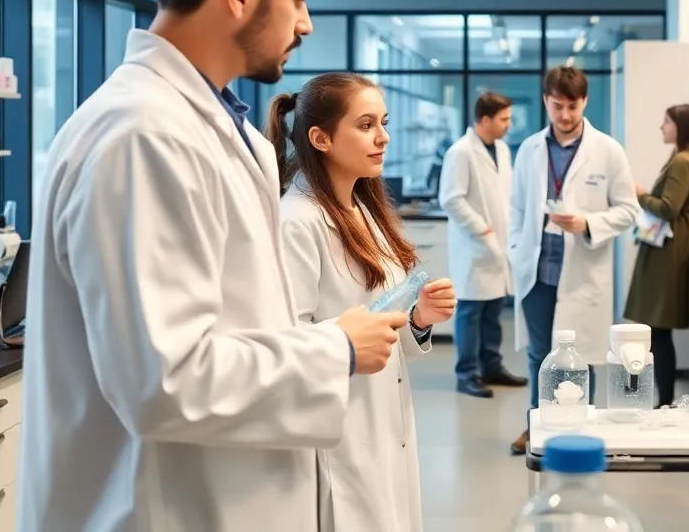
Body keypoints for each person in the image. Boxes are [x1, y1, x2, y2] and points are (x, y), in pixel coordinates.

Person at [17, 0, 410, 532]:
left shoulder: (216, 130)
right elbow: (163, 379)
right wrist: (334, 349)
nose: (306, 24)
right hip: (159, 511)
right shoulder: (142, 137)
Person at [269, 72, 457, 532]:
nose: (383, 137)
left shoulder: (362, 209)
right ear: (321, 138)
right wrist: (344, 339)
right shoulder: (298, 221)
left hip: (383, 420)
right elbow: (280, 343)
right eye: (366, 125)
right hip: (341, 428)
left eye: (384, 123)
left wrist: (418, 318)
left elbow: (379, 316)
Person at [507, 65, 639, 454]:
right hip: (536, 270)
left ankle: (580, 428)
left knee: (581, 357)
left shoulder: (608, 150)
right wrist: (516, 250)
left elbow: (628, 210)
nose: (564, 115)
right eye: (557, 106)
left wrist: (587, 222)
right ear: (546, 100)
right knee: (537, 354)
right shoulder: (530, 149)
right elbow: (515, 208)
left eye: (572, 106)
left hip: (582, 269)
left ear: (585, 102)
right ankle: (536, 426)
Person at [623, 104, 689, 407]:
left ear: (681, 126)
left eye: (666, 122)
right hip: (669, 249)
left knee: (657, 331)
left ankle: (662, 402)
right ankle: (660, 399)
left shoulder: (683, 161)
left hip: (666, 253)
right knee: (657, 331)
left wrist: (638, 195)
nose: (661, 127)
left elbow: (667, 208)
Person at [439, 90, 528, 398]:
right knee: (471, 312)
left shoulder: (501, 149)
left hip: (499, 243)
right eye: (504, 119)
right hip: (474, 246)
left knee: (492, 310)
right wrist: (481, 229)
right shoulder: (461, 152)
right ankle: (467, 374)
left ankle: (492, 366)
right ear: (486, 119)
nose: (508, 124)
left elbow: (508, 193)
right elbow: (451, 199)